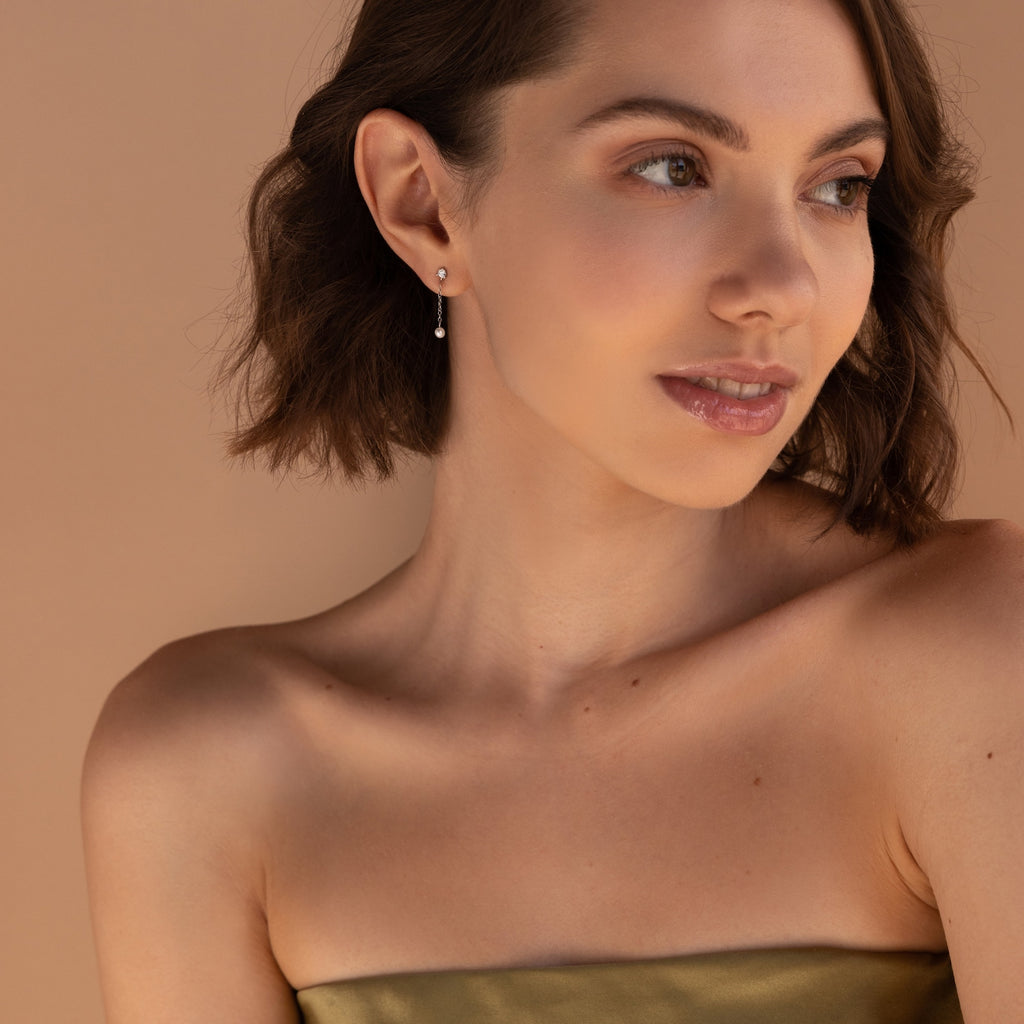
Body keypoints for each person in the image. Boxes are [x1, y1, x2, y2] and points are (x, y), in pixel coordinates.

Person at [82, 0, 1024, 1020]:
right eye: (671, 166)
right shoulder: (204, 770)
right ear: (423, 203)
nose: (782, 285)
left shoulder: (972, 657)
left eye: (837, 188)